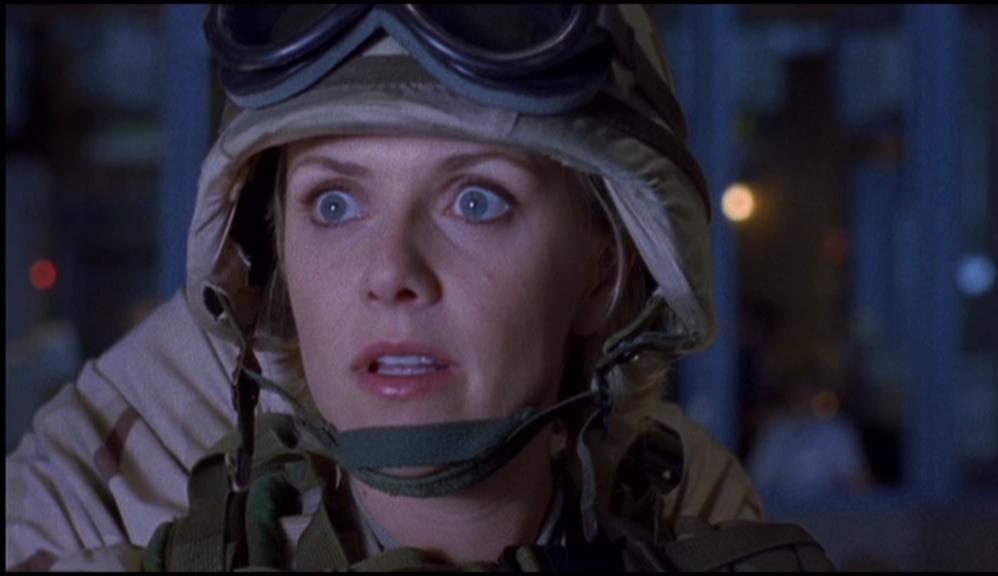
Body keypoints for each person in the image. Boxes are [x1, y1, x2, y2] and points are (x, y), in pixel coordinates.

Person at [6, 6, 832, 571]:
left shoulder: (700, 509)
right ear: (278, 260)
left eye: (477, 201)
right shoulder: (102, 489)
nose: (391, 274)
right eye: (335, 203)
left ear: (604, 267)